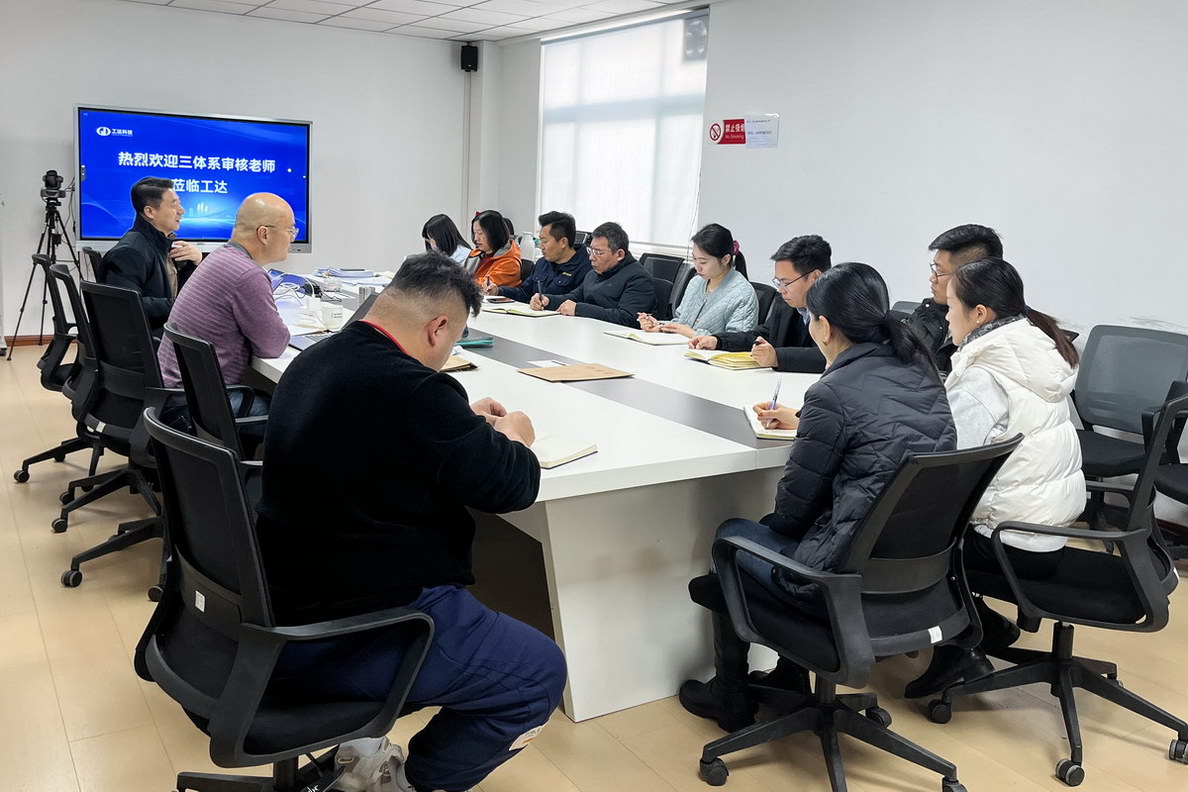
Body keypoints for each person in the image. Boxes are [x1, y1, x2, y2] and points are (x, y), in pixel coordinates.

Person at [255, 253, 566, 792]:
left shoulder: (320, 358)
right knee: (537, 674)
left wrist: (457, 423)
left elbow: (380, 429)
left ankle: (363, 751)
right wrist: (514, 433)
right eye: (453, 342)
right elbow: (512, 486)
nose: (446, 357)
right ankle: (405, 785)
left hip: (279, 598)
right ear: (438, 327)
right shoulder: (415, 390)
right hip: (353, 626)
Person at [678, 262, 957, 731]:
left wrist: (783, 535)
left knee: (733, 535)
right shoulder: (923, 373)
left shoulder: (833, 390)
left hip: (840, 582)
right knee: (813, 527)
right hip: (918, 582)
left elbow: (792, 510)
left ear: (824, 326)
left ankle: (730, 695)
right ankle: (789, 676)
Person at [903, 256, 1084, 698]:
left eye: (950, 307)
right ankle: (981, 623)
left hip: (1012, 541)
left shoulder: (988, 375)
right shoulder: (1034, 351)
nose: (945, 317)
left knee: (906, 535)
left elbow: (944, 465)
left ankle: (959, 648)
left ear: (979, 313)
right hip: (1047, 530)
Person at [156, 193, 292, 417]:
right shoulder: (248, 274)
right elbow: (273, 345)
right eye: (290, 230)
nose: (292, 238)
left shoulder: (220, 257)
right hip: (196, 405)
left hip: (175, 394)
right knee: (298, 415)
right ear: (264, 234)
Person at [689, 235, 831, 373]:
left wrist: (777, 357)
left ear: (815, 277)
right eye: (778, 282)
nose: (781, 290)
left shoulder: (837, 307)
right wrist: (718, 341)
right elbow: (761, 336)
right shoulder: (786, 303)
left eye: (786, 283)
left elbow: (831, 355)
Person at [101, 176, 202, 332]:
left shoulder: (160, 243)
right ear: (150, 212)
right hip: (147, 339)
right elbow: (126, 305)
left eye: (179, 202)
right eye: (174, 204)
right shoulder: (130, 252)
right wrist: (180, 306)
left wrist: (194, 263)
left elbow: (175, 292)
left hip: (163, 331)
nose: (181, 211)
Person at [904, 224, 1003, 372]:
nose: (932, 278)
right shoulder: (929, 311)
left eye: (939, 271)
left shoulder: (1001, 338)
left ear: (970, 278)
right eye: (933, 268)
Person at [637, 224, 758, 337]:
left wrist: (693, 334)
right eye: (694, 259)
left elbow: (737, 342)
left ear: (725, 259)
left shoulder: (743, 294)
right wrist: (659, 326)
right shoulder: (696, 282)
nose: (697, 267)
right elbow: (680, 322)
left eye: (703, 262)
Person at [531, 221, 654, 327]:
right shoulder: (594, 273)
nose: (591, 257)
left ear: (619, 254)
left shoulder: (638, 278)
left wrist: (579, 309)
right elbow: (574, 297)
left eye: (598, 252)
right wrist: (548, 300)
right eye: (591, 250)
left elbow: (627, 318)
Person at [485, 210, 591, 303]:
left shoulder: (587, 269)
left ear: (563, 242)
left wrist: (548, 302)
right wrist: (499, 291)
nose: (541, 246)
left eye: (545, 241)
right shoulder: (542, 263)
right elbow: (524, 293)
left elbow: (577, 302)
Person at [464, 210, 522, 289]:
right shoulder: (477, 253)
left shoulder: (510, 263)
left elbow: (485, 285)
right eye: (474, 233)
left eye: (480, 233)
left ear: (495, 233)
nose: (476, 238)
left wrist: (458, 283)